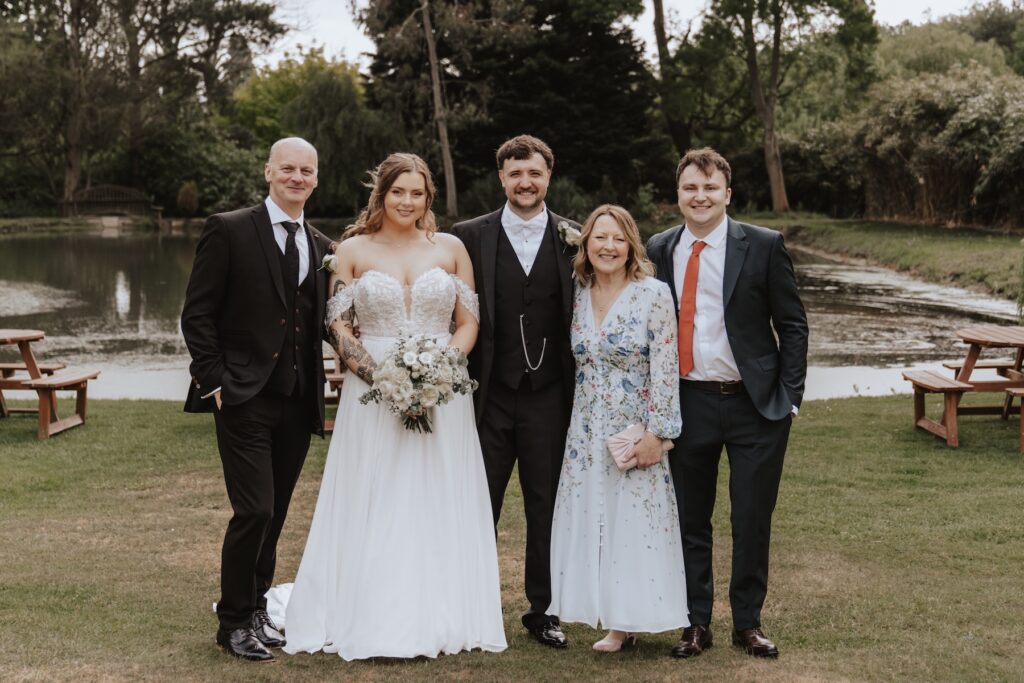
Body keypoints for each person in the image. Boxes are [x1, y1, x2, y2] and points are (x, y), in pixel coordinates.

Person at [274, 153, 506, 660]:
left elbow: (468, 323)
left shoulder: (451, 248)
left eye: (417, 193)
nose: (408, 201)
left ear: (428, 198)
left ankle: (441, 609)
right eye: (398, 191)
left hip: (443, 386)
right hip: (371, 389)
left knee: (434, 491)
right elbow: (338, 326)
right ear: (382, 194)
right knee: (374, 489)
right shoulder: (350, 249)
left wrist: (439, 370)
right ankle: (364, 607)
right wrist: (382, 377)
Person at [646, 148, 808, 659]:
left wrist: (791, 398)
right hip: (686, 403)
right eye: (691, 188)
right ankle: (695, 624)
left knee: (751, 517)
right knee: (690, 520)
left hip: (754, 407)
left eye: (710, 188)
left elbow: (793, 325)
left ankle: (748, 623)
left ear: (727, 195)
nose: (701, 197)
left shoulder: (762, 245)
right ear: (678, 195)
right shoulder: (657, 248)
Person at [181, 137, 336, 662]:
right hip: (241, 397)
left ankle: (255, 612)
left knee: (277, 512)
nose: (297, 177)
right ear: (269, 172)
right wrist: (214, 381)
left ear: (316, 179)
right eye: (288, 168)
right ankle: (231, 622)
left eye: (306, 170)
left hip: (296, 399)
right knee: (255, 509)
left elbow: (324, 322)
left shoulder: (320, 244)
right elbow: (196, 314)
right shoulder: (228, 229)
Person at [451, 135, 578, 649]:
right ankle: (467, 603)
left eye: (535, 174)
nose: (526, 182)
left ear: (549, 177)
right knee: (478, 502)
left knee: (546, 505)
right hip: (488, 395)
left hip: (550, 394)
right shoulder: (466, 237)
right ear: (500, 178)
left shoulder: (577, 237)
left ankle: (543, 610)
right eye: (515, 174)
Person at [549, 205, 687, 652]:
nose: (609, 247)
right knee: (598, 520)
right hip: (586, 432)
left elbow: (667, 368)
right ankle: (612, 617)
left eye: (618, 239)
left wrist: (659, 435)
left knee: (633, 523)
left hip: (635, 430)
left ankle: (630, 620)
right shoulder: (578, 292)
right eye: (600, 238)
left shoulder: (654, 294)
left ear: (631, 245)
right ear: (586, 244)